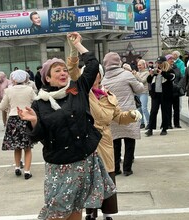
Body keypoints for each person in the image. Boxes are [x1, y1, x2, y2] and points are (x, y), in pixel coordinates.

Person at [18, 32, 116, 220]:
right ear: (47, 78)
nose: (63, 73)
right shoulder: (40, 103)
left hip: (84, 158)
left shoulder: (75, 90)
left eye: (64, 69)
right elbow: (36, 136)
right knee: (57, 210)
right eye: (57, 71)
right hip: (60, 164)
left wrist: (78, 45)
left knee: (76, 207)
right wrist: (34, 122)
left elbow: (93, 65)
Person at [67, 53, 142, 220]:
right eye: (91, 73)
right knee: (89, 178)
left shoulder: (109, 94)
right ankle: (90, 213)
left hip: (106, 140)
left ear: (101, 75)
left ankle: (108, 214)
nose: (94, 76)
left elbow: (118, 117)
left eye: (97, 73)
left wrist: (131, 115)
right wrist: (74, 49)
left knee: (107, 177)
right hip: (87, 141)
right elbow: (73, 70)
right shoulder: (81, 92)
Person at [101, 52, 144, 176]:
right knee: (129, 141)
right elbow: (140, 89)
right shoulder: (127, 75)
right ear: (118, 61)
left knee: (115, 142)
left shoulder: (104, 79)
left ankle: (115, 168)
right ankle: (127, 168)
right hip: (128, 112)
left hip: (113, 114)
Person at [0, 70, 36, 179]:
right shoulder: (29, 89)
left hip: (13, 119)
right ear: (25, 79)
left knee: (17, 146)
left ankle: (17, 167)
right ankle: (27, 171)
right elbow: (36, 101)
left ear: (13, 79)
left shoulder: (9, 91)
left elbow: (1, 106)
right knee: (27, 147)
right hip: (26, 118)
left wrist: (10, 107)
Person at [145, 56, 175, 136]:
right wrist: (151, 75)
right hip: (156, 94)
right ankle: (150, 129)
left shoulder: (169, 70)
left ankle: (164, 128)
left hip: (165, 95)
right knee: (153, 111)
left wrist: (162, 72)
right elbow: (148, 81)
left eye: (160, 63)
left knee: (165, 111)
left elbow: (171, 78)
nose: (159, 64)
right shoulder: (155, 71)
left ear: (164, 63)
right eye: (158, 63)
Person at [166, 54, 184, 128]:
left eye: (172, 59)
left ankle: (177, 123)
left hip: (176, 90)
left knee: (176, 108)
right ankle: (169, 124)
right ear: (167, 60)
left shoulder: (176, 68)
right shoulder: (165, 69)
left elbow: (181, 77)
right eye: (170, 59)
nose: (172, 60)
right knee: (168, 108)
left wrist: (178, 86)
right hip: (168, 91)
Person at [133, 59, 150, 129]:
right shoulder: (137, 73)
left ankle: (149, 123)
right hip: (137, 92)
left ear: (144, 65)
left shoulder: (147, 73)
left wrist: (136, 75)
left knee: (144, 108)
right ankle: (141, 123)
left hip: (144, 92)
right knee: (139, 109)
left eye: (140, 65)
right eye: (138, 65)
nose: (139, 66)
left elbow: (142, 81)